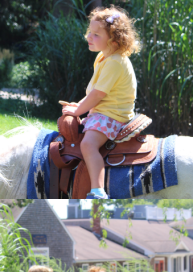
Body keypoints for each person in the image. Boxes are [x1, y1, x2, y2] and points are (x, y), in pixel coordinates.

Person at [60, 6, 140, 200]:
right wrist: (77, 105)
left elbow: (97, 96)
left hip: (112, 115)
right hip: (102, 111)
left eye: (95, 34)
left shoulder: (115, 62)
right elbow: (94, 93)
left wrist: (77, 111)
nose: (89, 36)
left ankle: (98, 190)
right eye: (89, 32)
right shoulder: (102, 57)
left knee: (88, 144)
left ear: (113, 40)